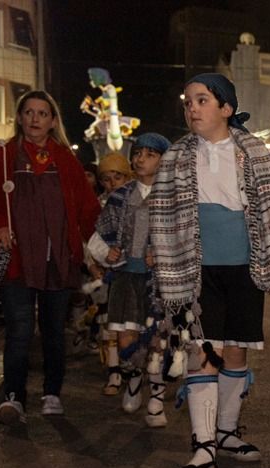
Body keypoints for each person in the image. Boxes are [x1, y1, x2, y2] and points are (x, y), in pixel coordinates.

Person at [148, 73, 270, 468]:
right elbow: (163, 213)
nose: (192, 108)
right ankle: (203, 445)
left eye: (202, 100)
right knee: (201, 351)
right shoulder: (175, 157)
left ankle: (227, 432)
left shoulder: (256, 152)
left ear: (226, 108)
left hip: (244, 268)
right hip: (197, 270)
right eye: (188, 101)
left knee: (238, 351)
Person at [0, 90, 101, 424]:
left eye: (42, 113)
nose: (34, 119)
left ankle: (52, 392)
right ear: (19, 117)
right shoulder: (3, 156)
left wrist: (99, 249)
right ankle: (14, 397)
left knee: (53, 330)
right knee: (18, 330)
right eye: (28, 112)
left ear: (53, 120)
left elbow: (88, 208)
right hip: (17, 259)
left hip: (58, 259)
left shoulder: (65, 159)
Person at [94, 133, 171, 424]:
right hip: (126, 277)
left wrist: (162, 255)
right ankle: (134, 378)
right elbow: (98, 237)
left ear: (164, 160)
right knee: (127, 336)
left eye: (150, 154)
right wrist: (108, 254)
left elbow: (187, 238)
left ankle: (157, 399)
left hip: (159, 282)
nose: (140, 159)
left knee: (158, 341)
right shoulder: (120, 196)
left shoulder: (173, 197)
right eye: (138, 153)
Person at [94, 151, 136, 396]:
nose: (111, 184)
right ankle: (114, 371)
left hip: (132, 272)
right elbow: (93, 237)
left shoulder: (134, 200)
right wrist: (95, 263)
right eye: (105, 179)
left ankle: (133, 369)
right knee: (108, 323)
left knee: (131, 324)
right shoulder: (100, 204)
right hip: (105, 273)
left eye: (117, 177)